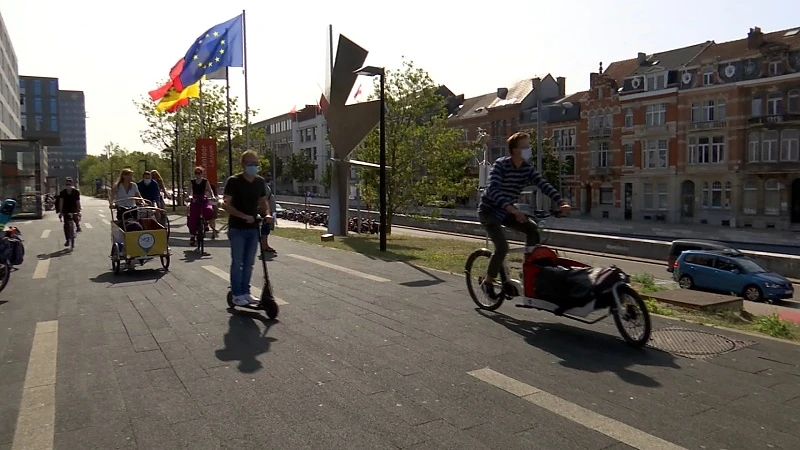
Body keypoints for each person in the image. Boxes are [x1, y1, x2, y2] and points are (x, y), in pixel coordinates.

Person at [478, 131, 571, 302]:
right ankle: (488, 281)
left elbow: (543, 184)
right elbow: (493, 189)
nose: (529, 149)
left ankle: (528, 270)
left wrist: (560, 202)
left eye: (529, 146)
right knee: (502, 248)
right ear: (514, 150)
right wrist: (512, 209)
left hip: (507, 211)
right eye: (525, 147)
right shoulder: (501, 165)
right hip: (489, 210)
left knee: (532, 230)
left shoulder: (527, 169)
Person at [221, 150, 271, 306]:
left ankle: (246, 293)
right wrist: (243, 216)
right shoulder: (234, 181)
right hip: (237, 228)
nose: (254, 167)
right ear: (243, 165)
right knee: (238, 262)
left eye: (256, 164)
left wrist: (267, 215)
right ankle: (237, 294)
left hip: (253, 228)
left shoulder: (259, 182)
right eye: (250, 164)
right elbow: (225, 204)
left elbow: (263, 203)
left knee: (249, 262)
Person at [188, 166, 216, 246]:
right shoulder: (192, 182)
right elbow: (189, 191)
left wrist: (213, 196)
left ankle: (206, 222)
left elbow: (210, 191)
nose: (198, 175)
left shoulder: (205, 181)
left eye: (199, 173)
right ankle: (192, 236)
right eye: (196, 173)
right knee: (192, 218)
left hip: (203, 199)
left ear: (202, 174)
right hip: (195, 199)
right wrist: (188, 197)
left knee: (208, 210)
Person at [55, 177, 81, 247]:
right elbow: (61, 202)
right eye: (67, 184)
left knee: (75, 217)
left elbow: (78, 202)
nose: (68, 186)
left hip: (74, 208)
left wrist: (79, 210)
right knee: (66, 225)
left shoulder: (76, 192)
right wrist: (60, 212)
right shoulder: (62, 193)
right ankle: (67, 240)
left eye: (69, 184)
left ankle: (78, 226)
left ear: (71, 184)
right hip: (65, 209)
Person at [260, 174, 278, 257]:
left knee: (267, 229)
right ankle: (264, 245)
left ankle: (265, 244)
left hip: (269, 211)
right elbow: (264, 199)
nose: (269, 177)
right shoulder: (263, 186)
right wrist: (267, 212)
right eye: (268, 176)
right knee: (265, 228)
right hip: (266, 212)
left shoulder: (265, 185)